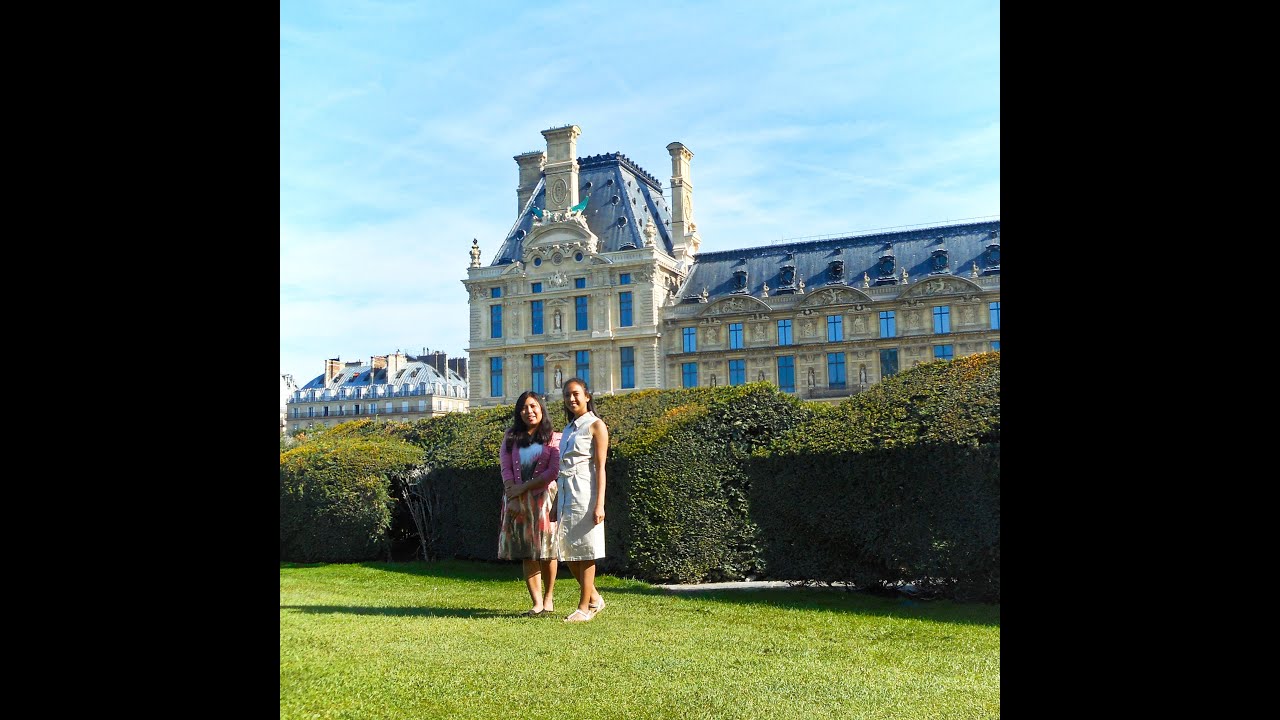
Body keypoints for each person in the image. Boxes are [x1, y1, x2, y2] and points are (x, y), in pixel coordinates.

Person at [497, 391, 562, 617]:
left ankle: (548, 598)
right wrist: (512, 495)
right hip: (517, 500)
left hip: (544, 500)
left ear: (541, 409)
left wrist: (523, 488)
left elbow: (553, 471)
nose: (529, 411)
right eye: (524, 408)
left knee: (548, 550)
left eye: (533, 406)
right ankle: (536, 603)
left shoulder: (554, 437)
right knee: (528, 551)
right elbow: (505, 466)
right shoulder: (511, 436)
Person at [554, 377, 608, 623]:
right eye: (567, 395)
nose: (571, 399)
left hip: (585, 494)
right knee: (567, 551)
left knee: (585, 551)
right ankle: (595, 598)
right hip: (565, 493)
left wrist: (599, 504)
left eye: (576, 394)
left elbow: (601, 468)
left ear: (587, 396)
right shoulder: (568, 429)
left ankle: (584, 607)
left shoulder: (596, 425)